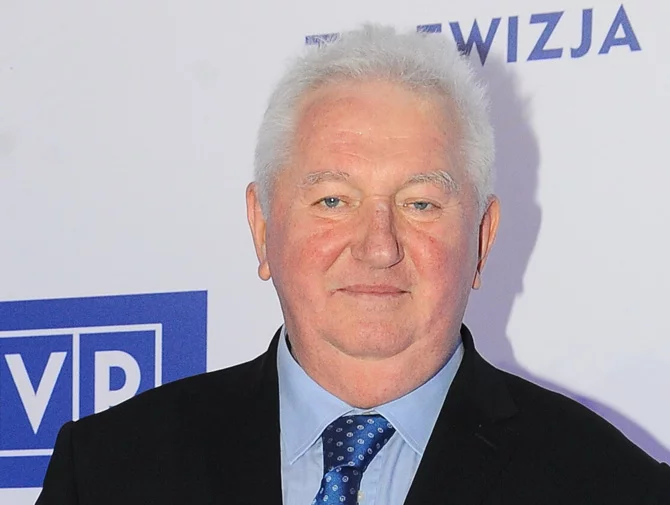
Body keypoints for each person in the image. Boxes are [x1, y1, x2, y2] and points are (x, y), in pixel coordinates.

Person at [37, 24, 669, 505]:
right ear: (262, 226)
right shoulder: (107, 472)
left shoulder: (617, 486)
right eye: (333, 201)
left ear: (482, 237)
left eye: (420, 203)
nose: (378, 246)